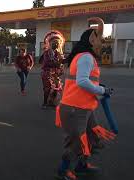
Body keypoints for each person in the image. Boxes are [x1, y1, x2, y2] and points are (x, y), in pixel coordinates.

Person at [55, 17, 116, 180]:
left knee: (91, 136)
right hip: (75, 108)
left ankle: (82, 164)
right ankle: (64, 170)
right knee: (76, 141)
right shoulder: (86, 57)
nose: (102, 44)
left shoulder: (85, 57)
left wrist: (98, 88)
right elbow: (82, 81)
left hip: (83, 107)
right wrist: (102, 90)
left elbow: (85, 80)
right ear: (92, 39)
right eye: (100, 40)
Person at [40, 30, 65, 108]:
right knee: (47, 88)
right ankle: (44, 103)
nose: (56, 44)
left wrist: (62, 64)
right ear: (50, 43)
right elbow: (47, 63)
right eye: (54, 42)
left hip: (55, 73)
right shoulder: (47, 53)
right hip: (46, 72)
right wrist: (58, 63)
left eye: (57, 42)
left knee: (56, 88)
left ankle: (51, 101)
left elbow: (61, 63)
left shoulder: (58, 53)